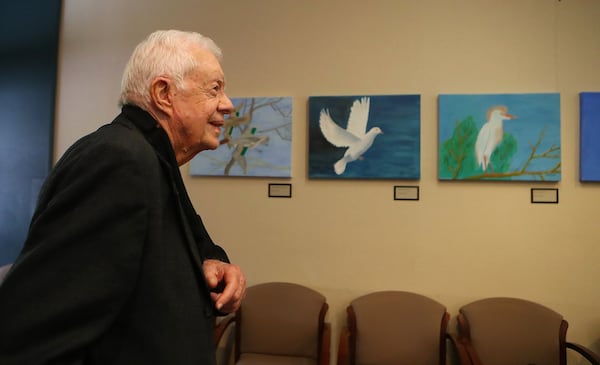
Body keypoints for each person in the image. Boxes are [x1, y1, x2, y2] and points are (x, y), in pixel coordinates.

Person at [0, 29, 246, 365]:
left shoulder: (151, 156)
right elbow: (34, 336)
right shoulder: (120, 160)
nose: (228, 104)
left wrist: (213, 261)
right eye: (214, 89)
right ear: (163, 93)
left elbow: (180, 240)